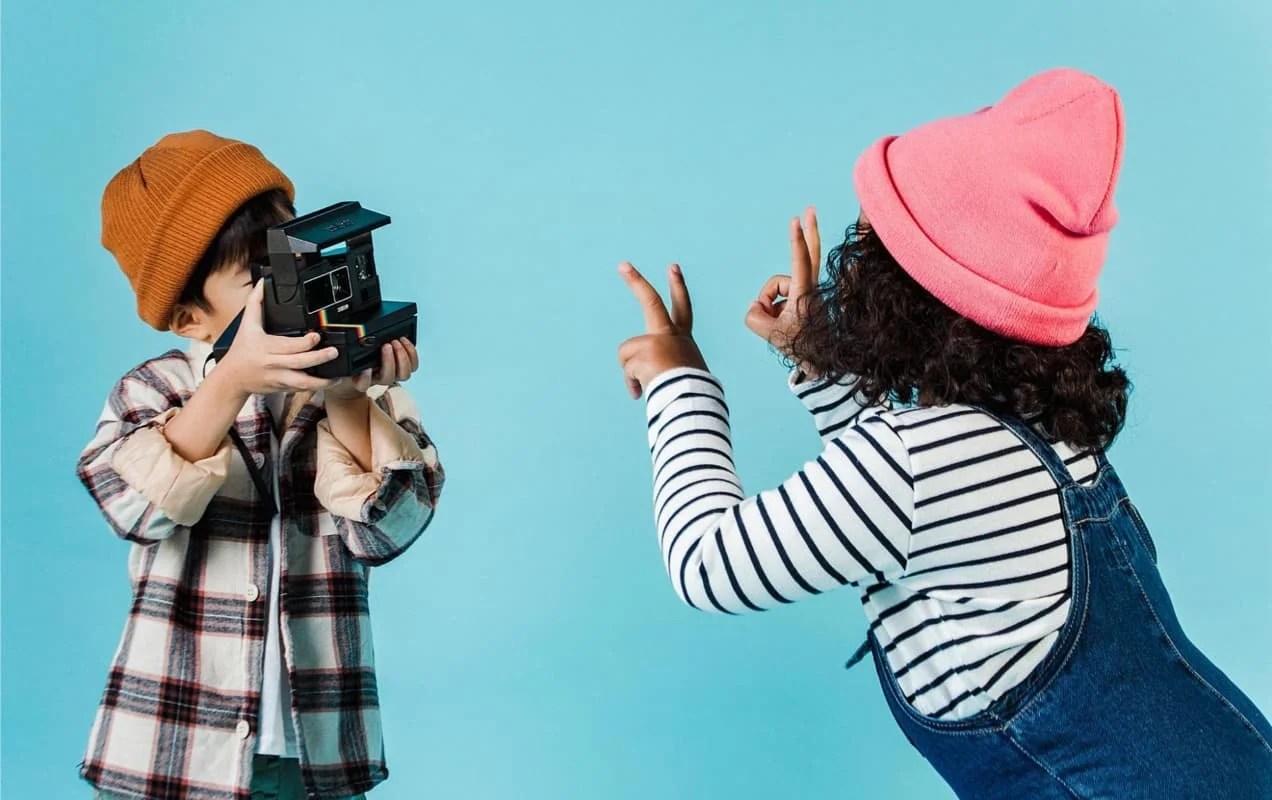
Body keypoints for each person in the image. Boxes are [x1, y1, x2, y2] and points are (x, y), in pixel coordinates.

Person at [616, 68, 1272, 798]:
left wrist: (680, 384)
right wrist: (819, 363)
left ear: (915, 292)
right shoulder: (1039, 427)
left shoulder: (917, 464)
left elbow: (709, 565)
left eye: (879, 238)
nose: (856, 248)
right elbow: (918, 524)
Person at [77, 130, 445, 800]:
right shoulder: (152, 392)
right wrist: (229, 384)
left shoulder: (367, 391)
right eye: (260, 276)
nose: (294, 283)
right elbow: (132, 509)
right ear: (191, 317)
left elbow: (390, 530)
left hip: (319, 756)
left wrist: (349, 398)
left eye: (293, 257)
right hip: (170, 747)